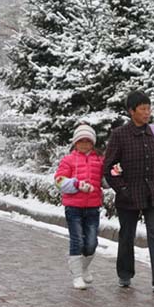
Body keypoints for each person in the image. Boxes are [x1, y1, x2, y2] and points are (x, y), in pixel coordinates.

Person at [103, 91, 154, 292]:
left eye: (148, 108)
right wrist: (123, 189)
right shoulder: (119, 135)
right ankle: (125, 274)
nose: (147, 112)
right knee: (127, 234)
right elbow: (110, 167)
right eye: (142, 109)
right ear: (131, 111)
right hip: (129, 194)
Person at [54, 124, 104, 290]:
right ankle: (77, 276)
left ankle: (83, 267)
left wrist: (116, 174)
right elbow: (59, 181)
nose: (84, 144)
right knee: (77, 240)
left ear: (93, 143)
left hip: (93, 207)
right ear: (75, 143)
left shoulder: (99, 160)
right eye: (80, 141)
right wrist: (77, 184)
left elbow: (105, 182)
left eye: (87, 141)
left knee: (91, 243)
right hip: (73, 208)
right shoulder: (68, 160)